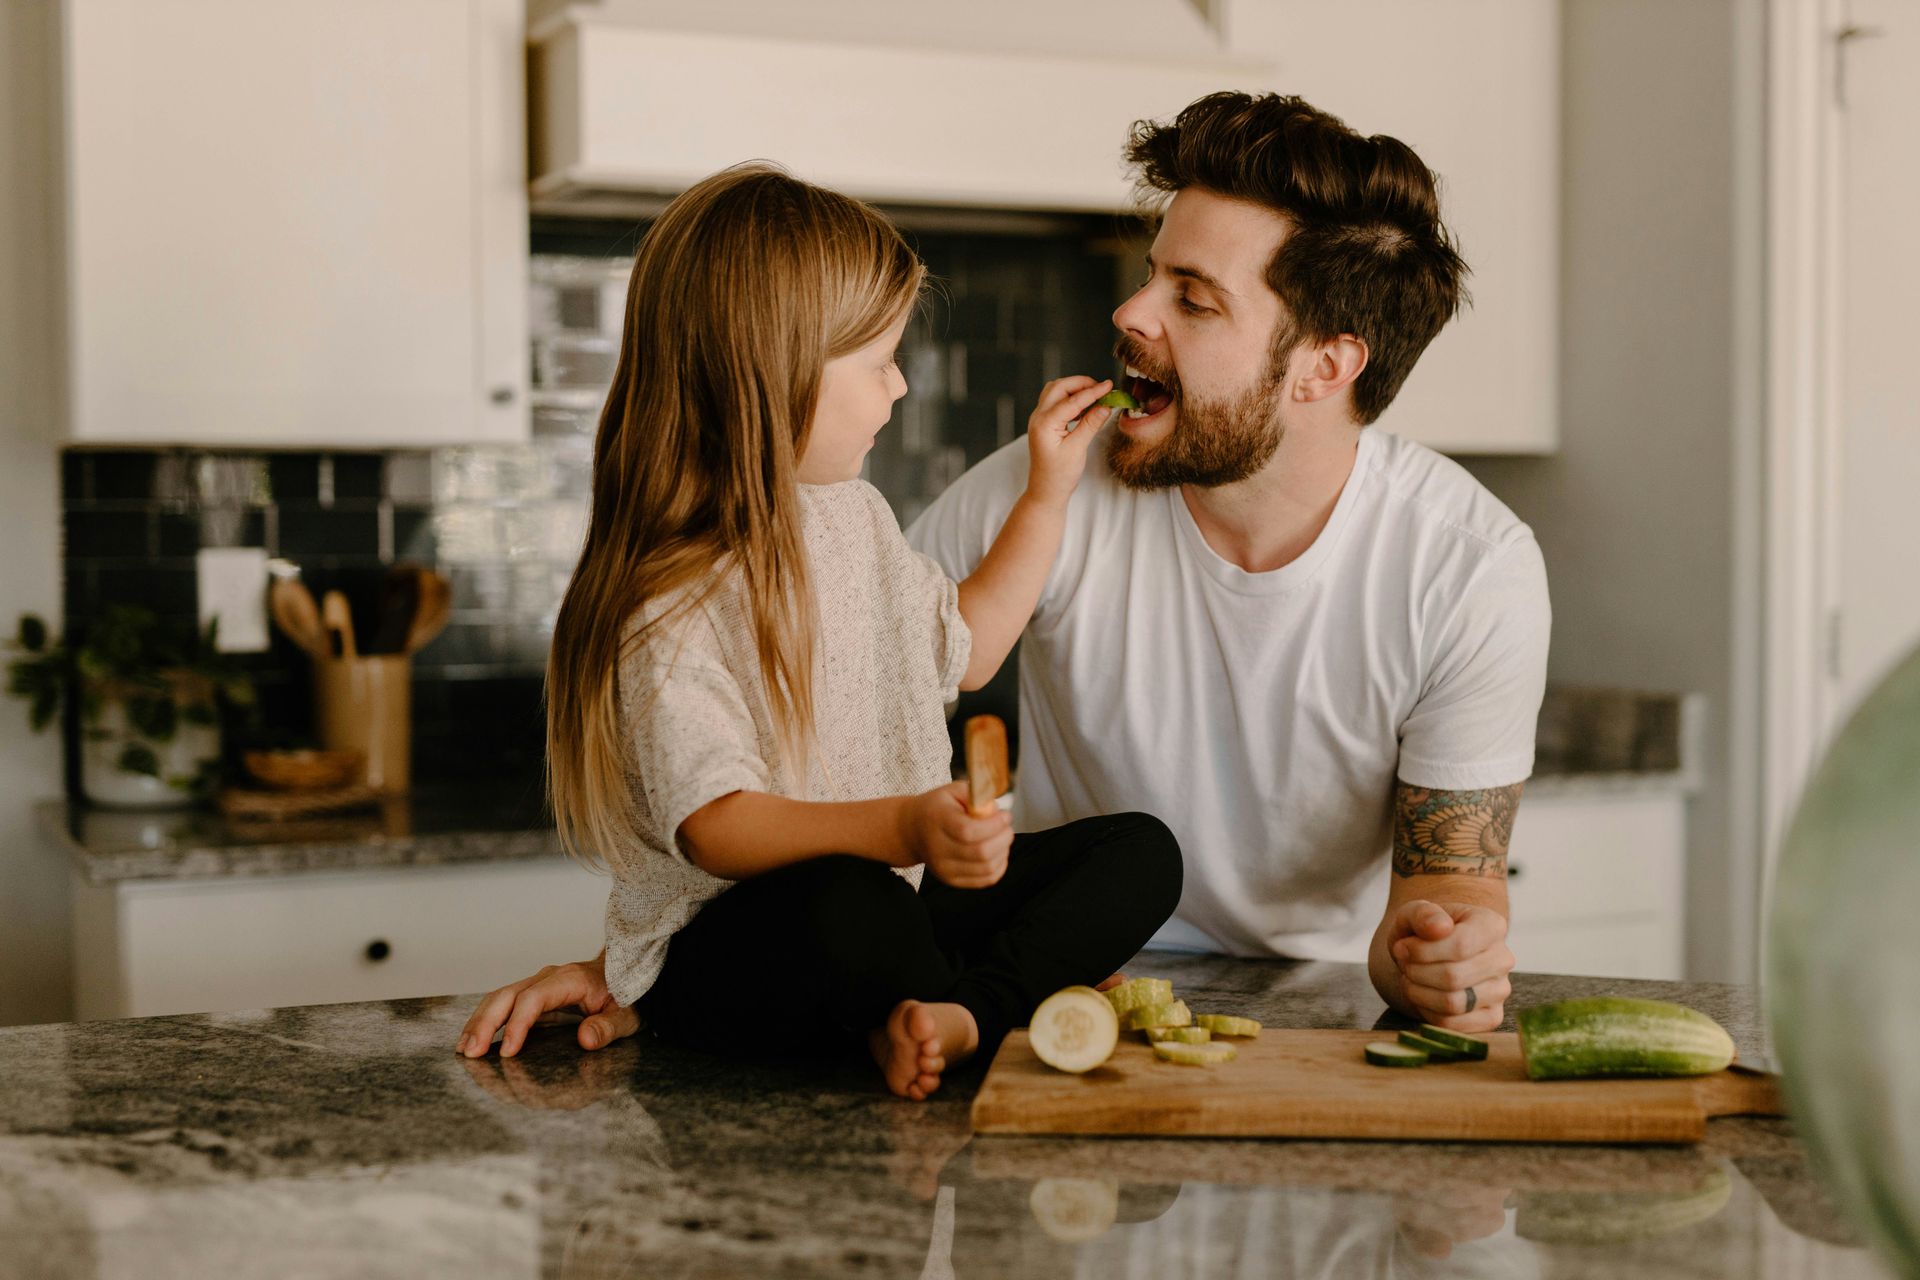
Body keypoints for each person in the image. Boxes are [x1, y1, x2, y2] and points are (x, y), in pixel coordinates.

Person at [454, 164, 1181, 1100]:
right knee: (855, 902)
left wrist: (1049, 491)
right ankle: (982, 996)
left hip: (899, 898)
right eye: (879, 361)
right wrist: (906, 823)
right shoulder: (670, 592)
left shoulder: (853, 517)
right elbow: (718, 828)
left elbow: (973, 645)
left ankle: (951, 1017)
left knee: (1137, 853)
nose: (903, 384)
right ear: (775, 371)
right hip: (745, 945)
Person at [909, 92, 1549, 1035]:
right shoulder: (1044, 488)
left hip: (1310, 1015)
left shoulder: (1469, 570)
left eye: (1192, 298)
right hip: (1044, 989)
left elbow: (1449, 878)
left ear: (1324, 368)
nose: (1130, 311)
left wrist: (1442, 952)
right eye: (1151, 274)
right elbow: (828, 702)